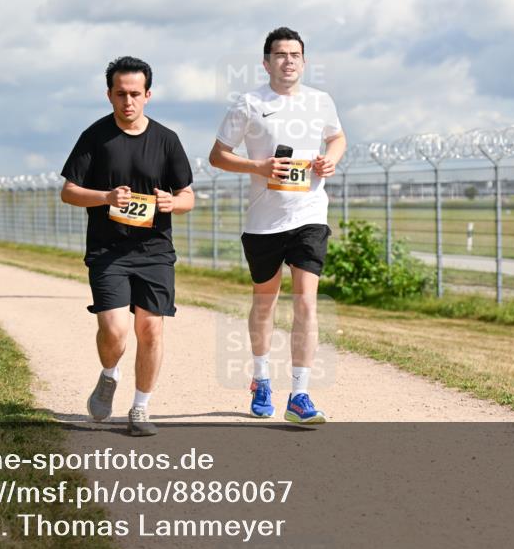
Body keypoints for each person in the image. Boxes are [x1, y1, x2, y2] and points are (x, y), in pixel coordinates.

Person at [209, 27, 346, 425]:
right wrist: (259, 167)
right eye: (280, 55)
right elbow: (218, 156)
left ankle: (300, 394)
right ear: (266, 63)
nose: (288, 61)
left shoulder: (320, 101)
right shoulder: (249, 104)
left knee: (306, 301)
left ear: (304, 61)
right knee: (264, 302)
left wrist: (330, 159)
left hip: (309, 215)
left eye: (295, 55)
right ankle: (261, 379)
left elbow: (337, 137)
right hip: (264, 221)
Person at [60, 56, 194, 437]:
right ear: (109, 95)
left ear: (148, 95)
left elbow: (188, 196)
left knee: (150, 329)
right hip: (109, 252)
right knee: (115, 331)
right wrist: (105, 197)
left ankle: (140, 408)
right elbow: (68, 191)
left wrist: (172, 202)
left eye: (135, 93)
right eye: (121, 94)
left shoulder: (167, 140)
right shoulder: (95, 137)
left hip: (155, 252)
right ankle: (109, 374)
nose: (128, 101)